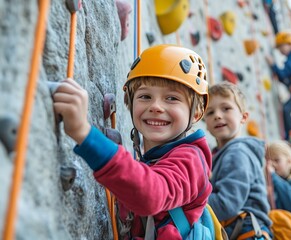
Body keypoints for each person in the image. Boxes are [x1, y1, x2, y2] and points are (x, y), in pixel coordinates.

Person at [52, 44, 213, 239]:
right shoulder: (153, 159)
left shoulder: (192, 161)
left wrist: (84, 134)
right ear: (129, 101)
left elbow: (151, 195)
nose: (155, 106)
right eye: (145, 96)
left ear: (196, 112)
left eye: (171, 98)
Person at [203, 82, 272, 239]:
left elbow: (225, 204)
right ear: (205, 123)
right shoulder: (217, 156)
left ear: (243, 117)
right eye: (210, 112)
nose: (217, 115)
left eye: (226, 108)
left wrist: (190, 200)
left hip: (247, 231)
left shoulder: (237, 153)